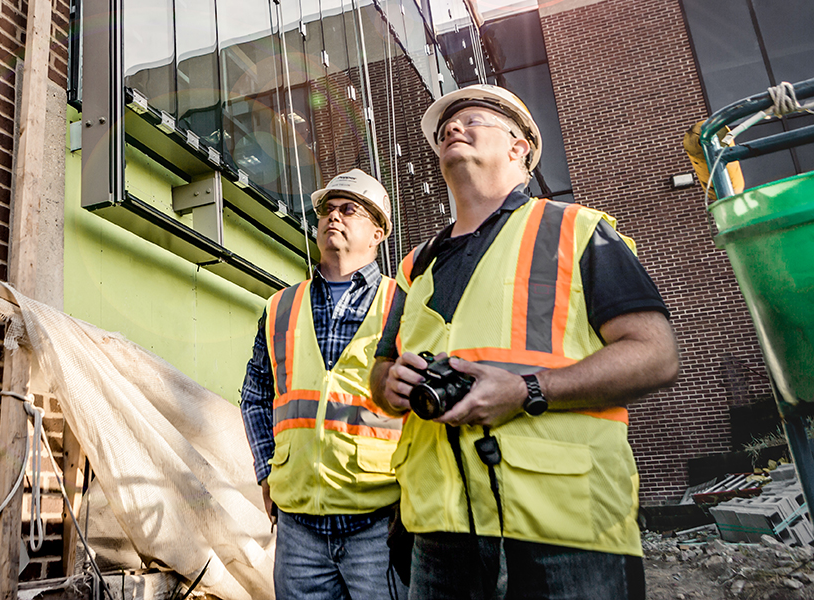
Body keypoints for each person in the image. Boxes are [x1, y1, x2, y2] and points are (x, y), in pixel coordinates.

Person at [370, 85, 680, 600]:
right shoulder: (415, 264)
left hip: (565, 523)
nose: (453, 128)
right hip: (441, 525)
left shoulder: (577, 229)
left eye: (472, 120)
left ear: (519, 149)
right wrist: (391, 384)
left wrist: (528, 390)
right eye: (448, 126)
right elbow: (380, 373)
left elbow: (656, 353)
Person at [241, 168, 408, 600]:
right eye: (327, 211)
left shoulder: (403, 304)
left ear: (377, 233)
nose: (334, 216)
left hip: (378, 521)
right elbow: (256, 395)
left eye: (348, 209)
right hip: (299, 528)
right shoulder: (280, 306)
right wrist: (266, 472)